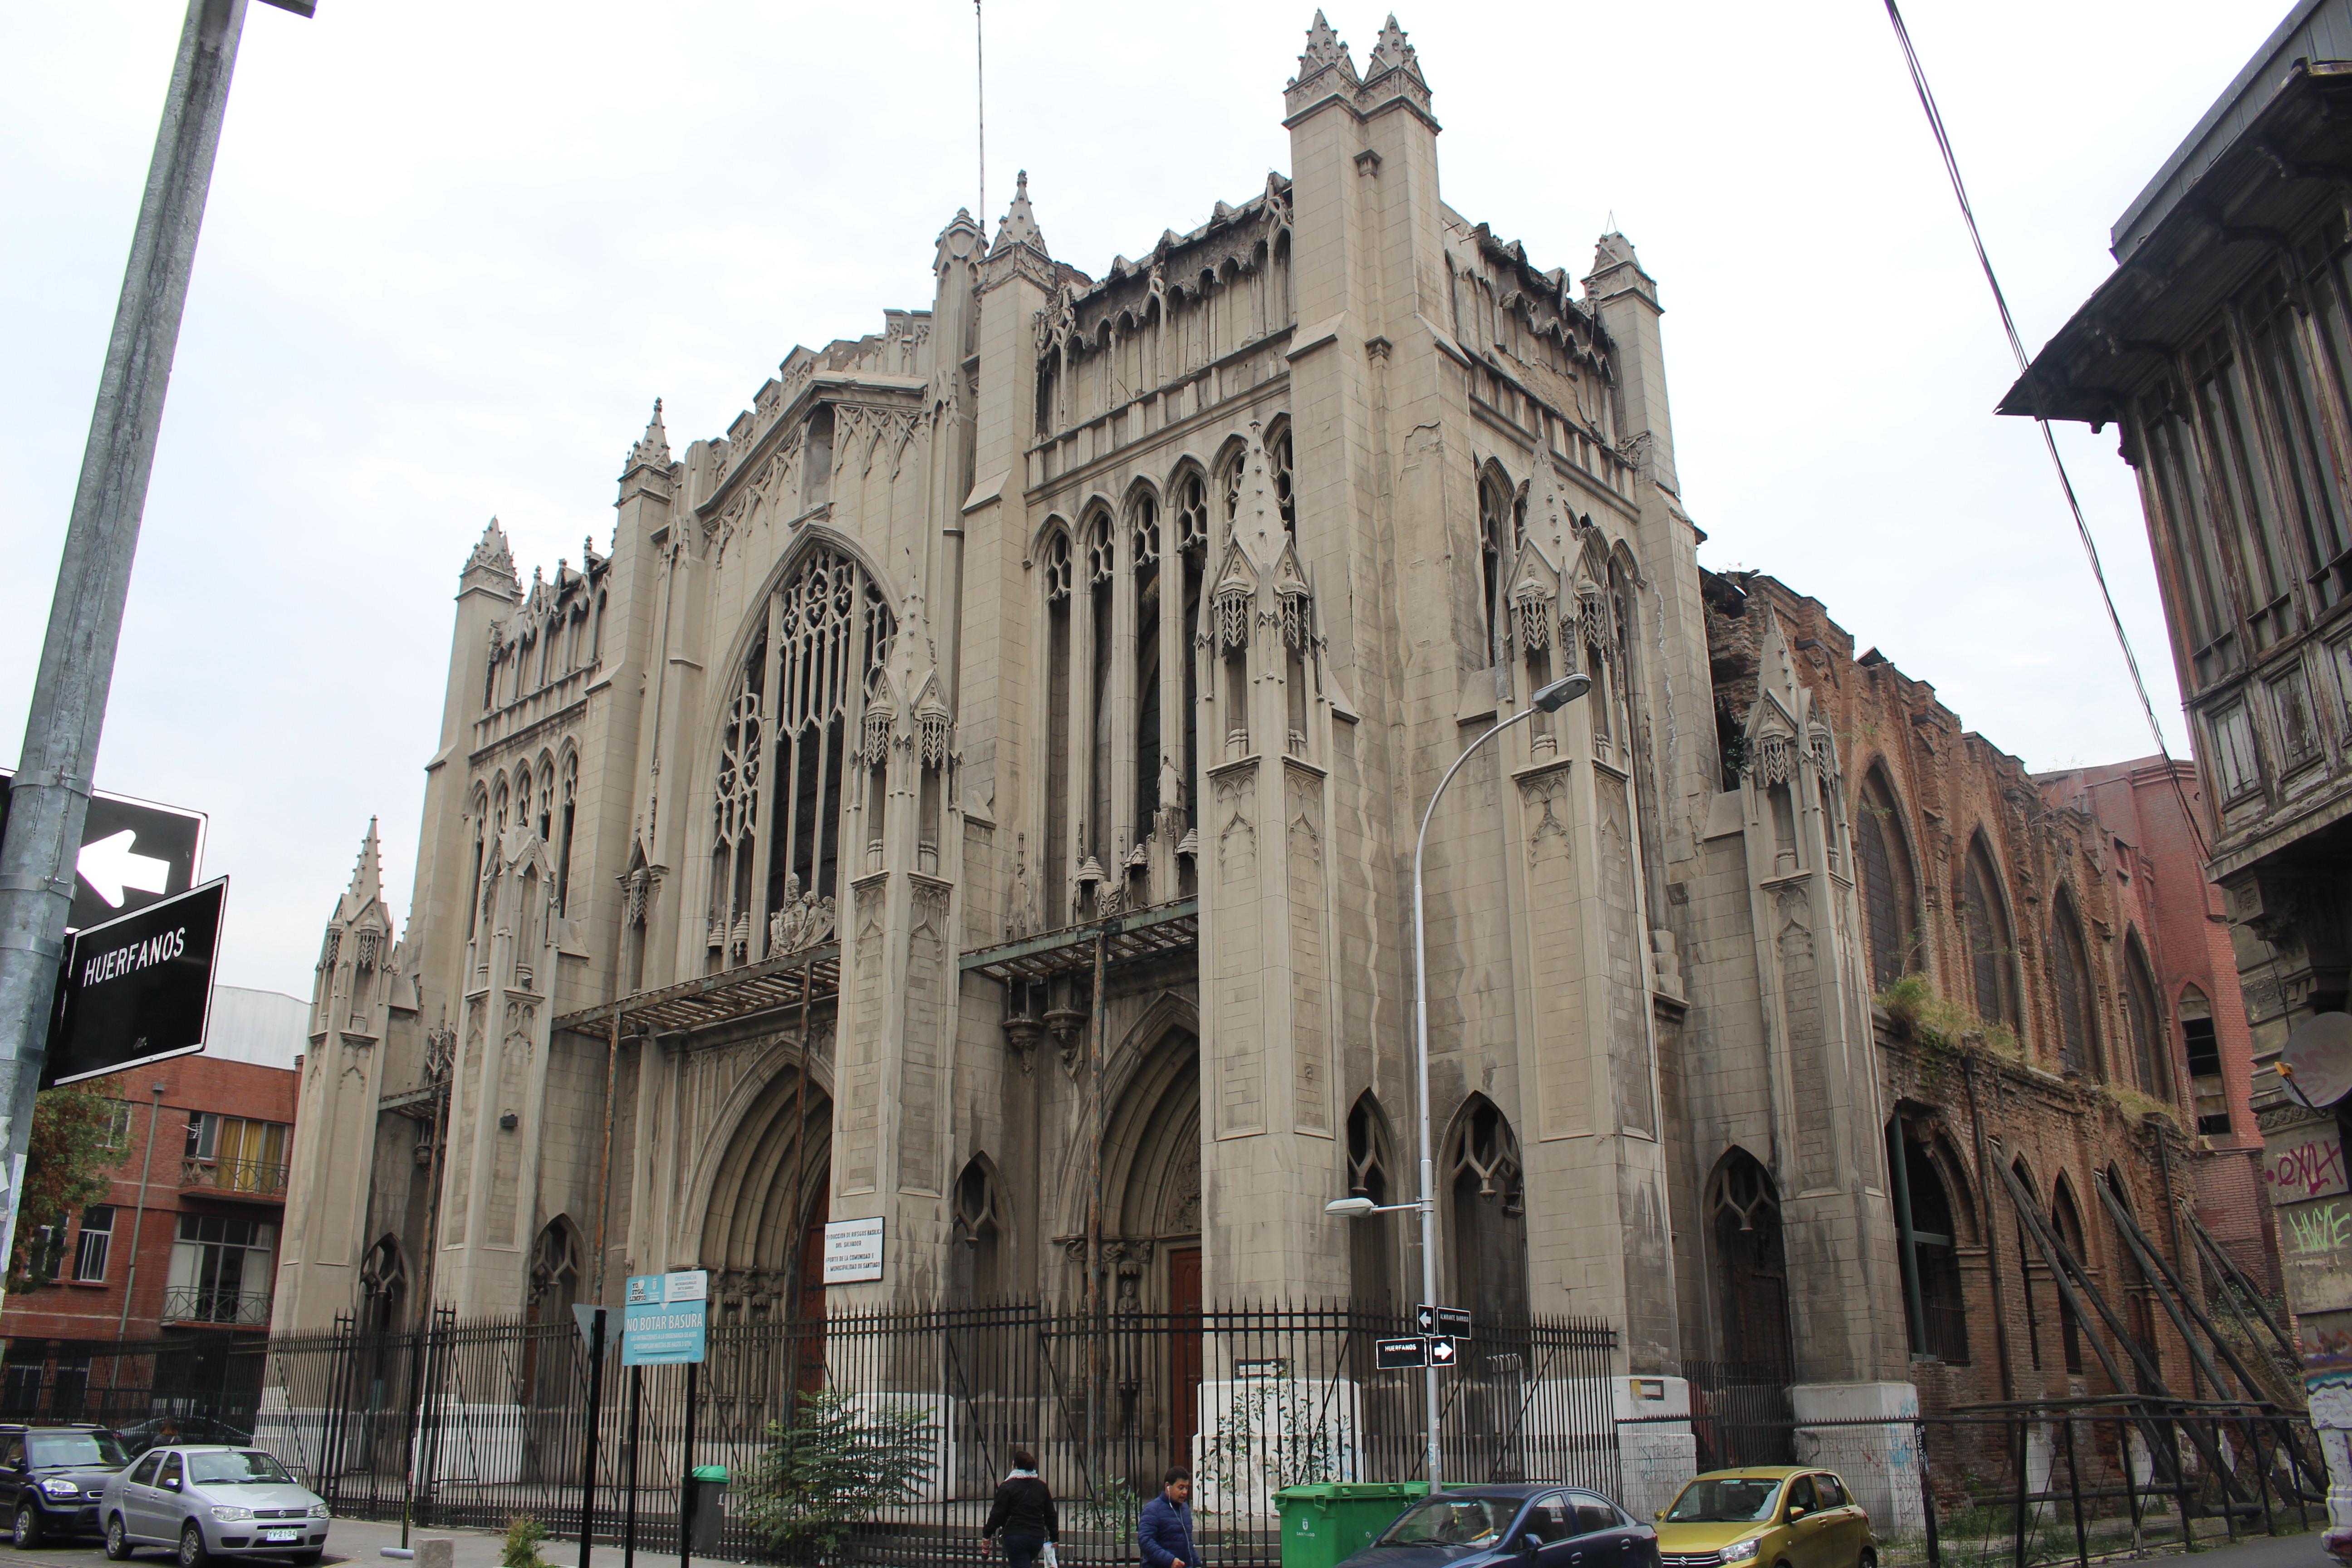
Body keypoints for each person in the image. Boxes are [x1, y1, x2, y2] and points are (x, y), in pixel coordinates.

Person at [980, 1447, 1058, 1568]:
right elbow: (1051, 1514)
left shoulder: (1007, 1487)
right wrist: (1054, 1537)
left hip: (1015, 1537)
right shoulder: (1042, 1487)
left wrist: (987, 1534)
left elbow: (997, 1515)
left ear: (1015, 1466)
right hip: (1037, 1537)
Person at [1139, 1467, 1202, 1568]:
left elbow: (1188, 1545)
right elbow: (1146, 1541)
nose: (1185, 1492)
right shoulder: (1152, 1509)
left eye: (1187, 1488)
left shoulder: (1185, 1510)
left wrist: (1197, 1564)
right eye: (1181, 1488)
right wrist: (1170, 1561)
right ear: (1168, 1487)